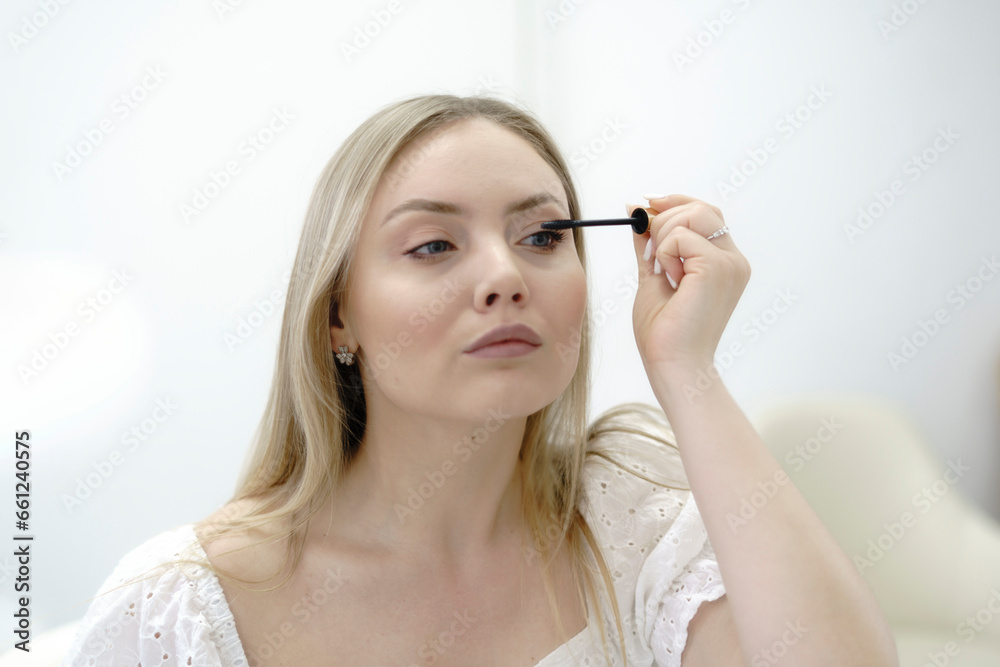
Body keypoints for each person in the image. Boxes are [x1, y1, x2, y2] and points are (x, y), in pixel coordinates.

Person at [63, 94, 898, 666]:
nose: (505, 275)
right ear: (337, 317)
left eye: (542, 236)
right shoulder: (176, 611)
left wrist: (689, 370)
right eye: (433, 245)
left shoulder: (630, 518)